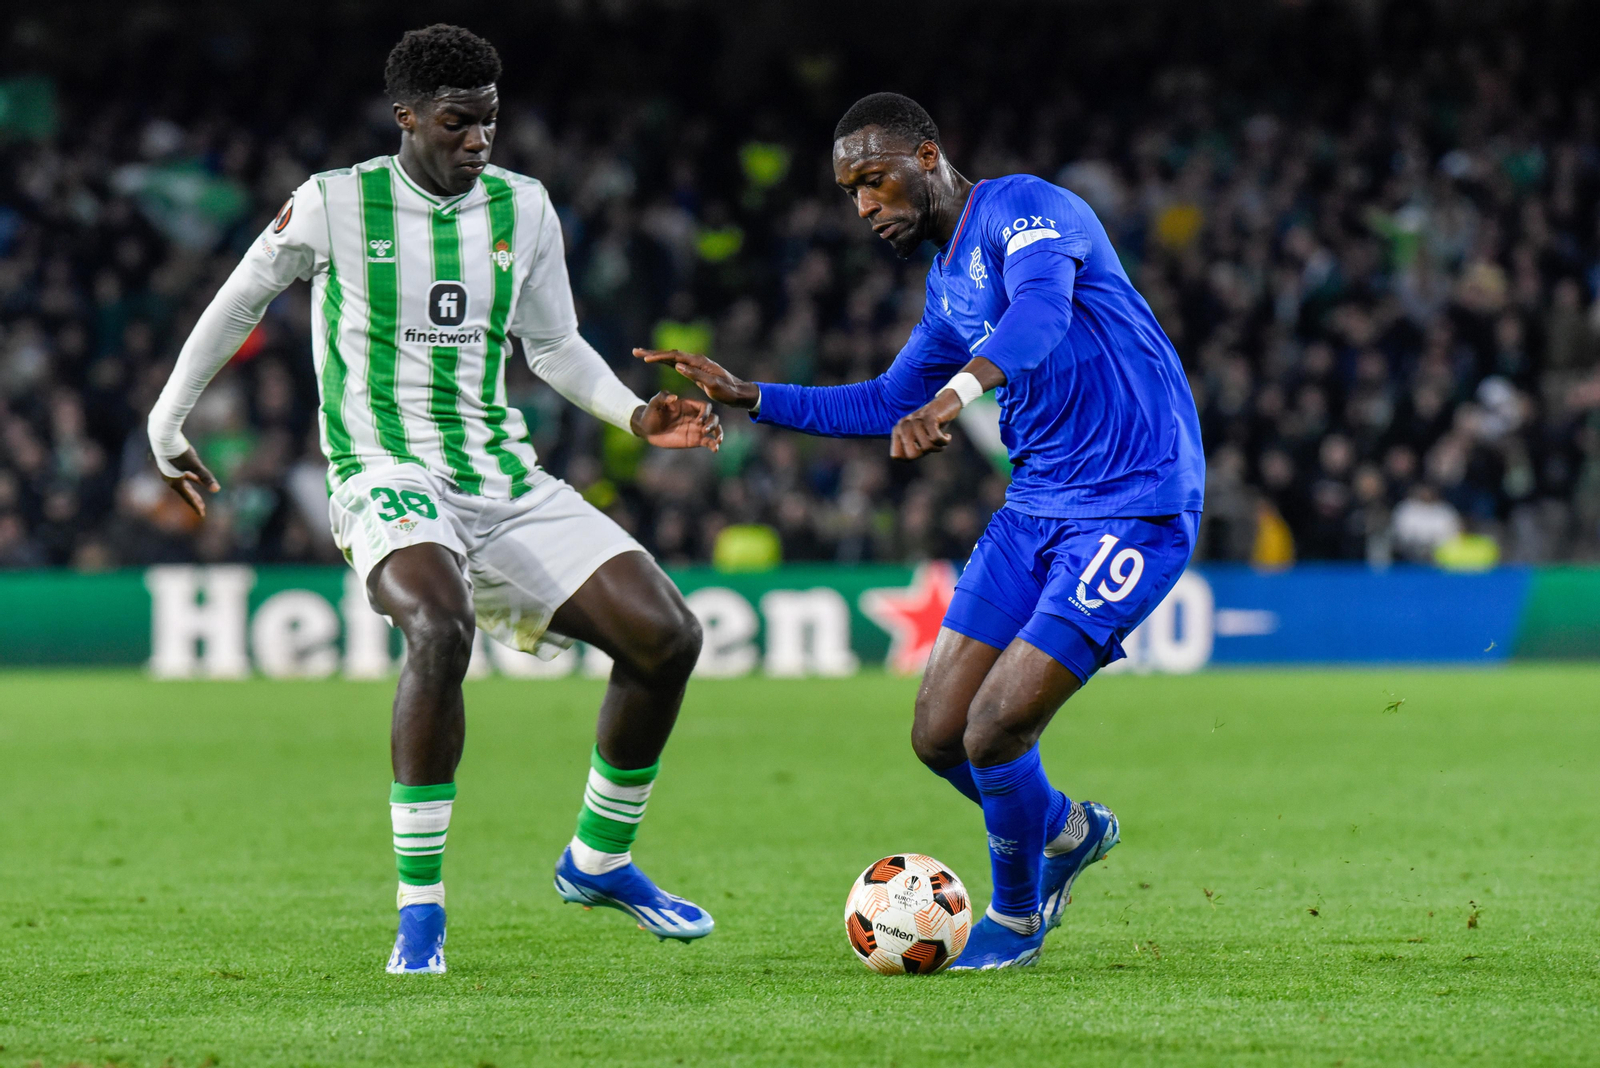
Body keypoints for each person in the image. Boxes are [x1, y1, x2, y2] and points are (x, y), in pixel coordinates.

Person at [147, 24, 722, 975]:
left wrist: (633, 415)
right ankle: (421, 912)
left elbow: (554, 345)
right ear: (407, 117)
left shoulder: (524, 207)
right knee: (440, 626)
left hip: (500, 474)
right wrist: (169, 420)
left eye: (490, 122)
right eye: (458, 123)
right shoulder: (335, 203)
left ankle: (599, 860)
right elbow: (240, 300)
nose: (479, 141)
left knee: (670, 637)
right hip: (382, 470)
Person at [642, 92, 1204, 969]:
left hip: (1134, 502)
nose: (864, 205)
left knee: (994, 730)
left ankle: (1016, 921)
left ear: (929, 157)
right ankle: (1063, 831)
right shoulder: (948, 289)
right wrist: (752, 395)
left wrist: (959, 395)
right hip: (1036, 508)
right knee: (939, 734)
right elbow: (884, 400)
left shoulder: (1030, 210)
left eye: (875, 180)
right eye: (850, 192)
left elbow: (1041, 316)